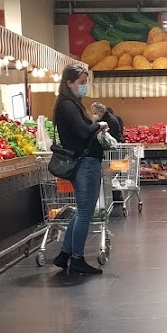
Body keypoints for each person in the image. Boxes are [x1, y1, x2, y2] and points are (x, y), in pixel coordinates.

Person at [52, 64, 106, 276]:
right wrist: (99, 125)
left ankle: (65, 254)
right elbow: (83, 132)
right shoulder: (68, 106)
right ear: (69, 83)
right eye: (81, 83)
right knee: (85, 213)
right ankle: (77, 259)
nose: (85, 86)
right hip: (85, 163)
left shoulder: (67, 104)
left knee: (82, 211)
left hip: (81, 162)